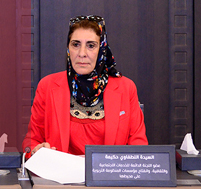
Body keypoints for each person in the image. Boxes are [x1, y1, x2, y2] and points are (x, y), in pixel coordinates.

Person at [23, 16, 147, 155]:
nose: (82, 53)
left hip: (108, 169)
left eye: (91, 45)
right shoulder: (47, 86)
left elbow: (139, 147)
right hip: (61, 170)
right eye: (75, 45)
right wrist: (35, 151)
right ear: (68, 48)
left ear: (102, 49)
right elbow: (31, 141)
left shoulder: (126, 88)